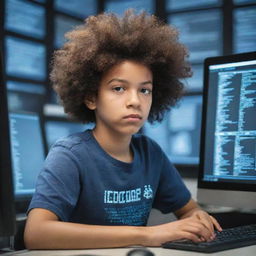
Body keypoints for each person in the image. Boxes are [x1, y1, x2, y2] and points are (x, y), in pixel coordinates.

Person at [24, 10, 222, 249]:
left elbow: (189, 209)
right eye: (119, 88)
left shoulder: (151, 154)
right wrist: (149, 235)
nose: (135, 101)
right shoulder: (70, 155)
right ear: (90, 97)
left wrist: (197, 218)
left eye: (144, 90)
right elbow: (36, 233)